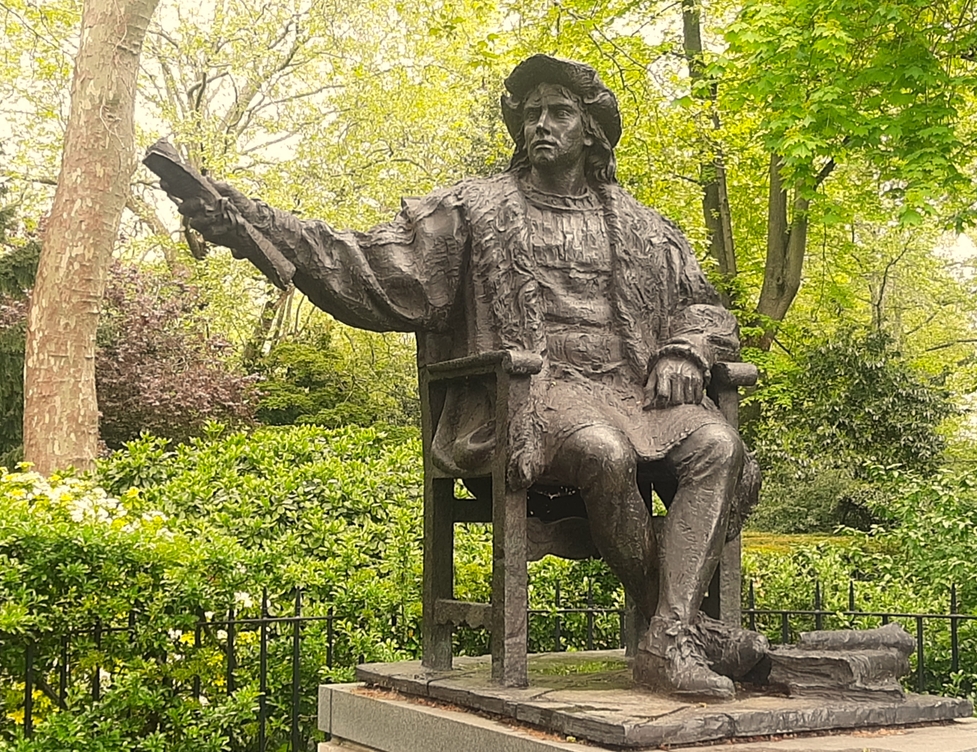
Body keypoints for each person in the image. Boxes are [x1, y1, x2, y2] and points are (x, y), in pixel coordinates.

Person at [169, 54, 764, 699]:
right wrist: (248, 223)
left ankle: (666, 636)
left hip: (631, 392)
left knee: (718, 445)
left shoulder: (646, 228)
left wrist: (685, 350)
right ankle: (678, 631)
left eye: (560, 112)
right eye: (531, 112)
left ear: (591, 131)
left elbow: (704, 305)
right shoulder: (473, 210)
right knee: (603, 452)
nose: (541, 124)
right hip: (529, 397)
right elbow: (365, 262)